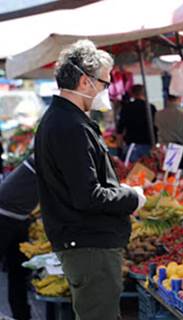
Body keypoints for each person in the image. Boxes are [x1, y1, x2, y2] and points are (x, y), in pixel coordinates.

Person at [34, 40, 146, 320]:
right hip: (89, 245)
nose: (107, 90)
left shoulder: (65, 120)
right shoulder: (69, 126)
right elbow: (88, 196)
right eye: (105, 83)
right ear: (85, 81)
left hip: (85, 242)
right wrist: (132, 196)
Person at [0, 155, 38, 320]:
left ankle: (22, 316)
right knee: (17, 274)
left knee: (19, 273)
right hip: (2, 216)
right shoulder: (47, 156)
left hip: (20, 218)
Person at [117, 84, 157, 163]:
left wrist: (119, 147)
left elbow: (120, 129)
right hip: (148, 145)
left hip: (132, 146)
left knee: (133, 172)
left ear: (132, 94)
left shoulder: (126, 107)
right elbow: (156, 126)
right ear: (145, 93)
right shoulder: (150, 107)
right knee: (149, 171)